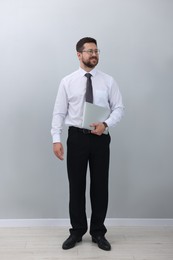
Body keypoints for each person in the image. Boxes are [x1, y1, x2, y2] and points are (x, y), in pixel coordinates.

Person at [51, 37, 124, 251]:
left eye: (97, 51)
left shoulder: (108, 81)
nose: (94, 54)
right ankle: (77, 231)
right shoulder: (67, 81)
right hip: (77, 138)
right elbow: (59, 112)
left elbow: (119, 108)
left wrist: (106, 123)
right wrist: (56, 139)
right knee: (77, 186)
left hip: (100, 138)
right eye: (90, 51)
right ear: (79, 54)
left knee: (100, 186)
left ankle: (98, 233)